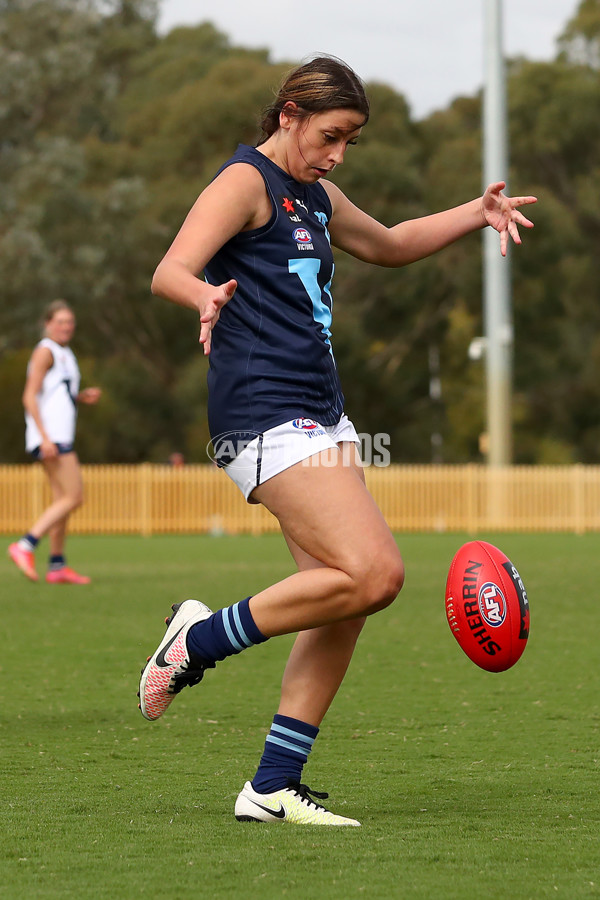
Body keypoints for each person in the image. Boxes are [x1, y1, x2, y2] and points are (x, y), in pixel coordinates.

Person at [139, 56, 536, 826]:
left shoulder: (316, 195)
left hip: (321, 413)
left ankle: (271, 786)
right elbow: (170, 268)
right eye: (330, 136)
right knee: (376, 571)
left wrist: (474, 212)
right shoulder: (245, 182)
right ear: (288, 115)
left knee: (343, 602)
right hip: (261, 410)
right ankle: (198, 638)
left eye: (350, 140)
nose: (337, 154)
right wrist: (204, 294)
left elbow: (388, 243)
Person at [8, 300, 102, 585]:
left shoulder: (64, 353)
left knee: (62, 500)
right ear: (47, 323)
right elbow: (29, 396)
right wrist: (45, 438)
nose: (66, 327)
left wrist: (80, 396)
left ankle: (57, 565)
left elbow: (55, 393)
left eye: (70, 322)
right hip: (52, 438)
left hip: (58, 435)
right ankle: (25, 545)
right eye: (60, 321)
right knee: (74, 497)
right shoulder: (46, 351)